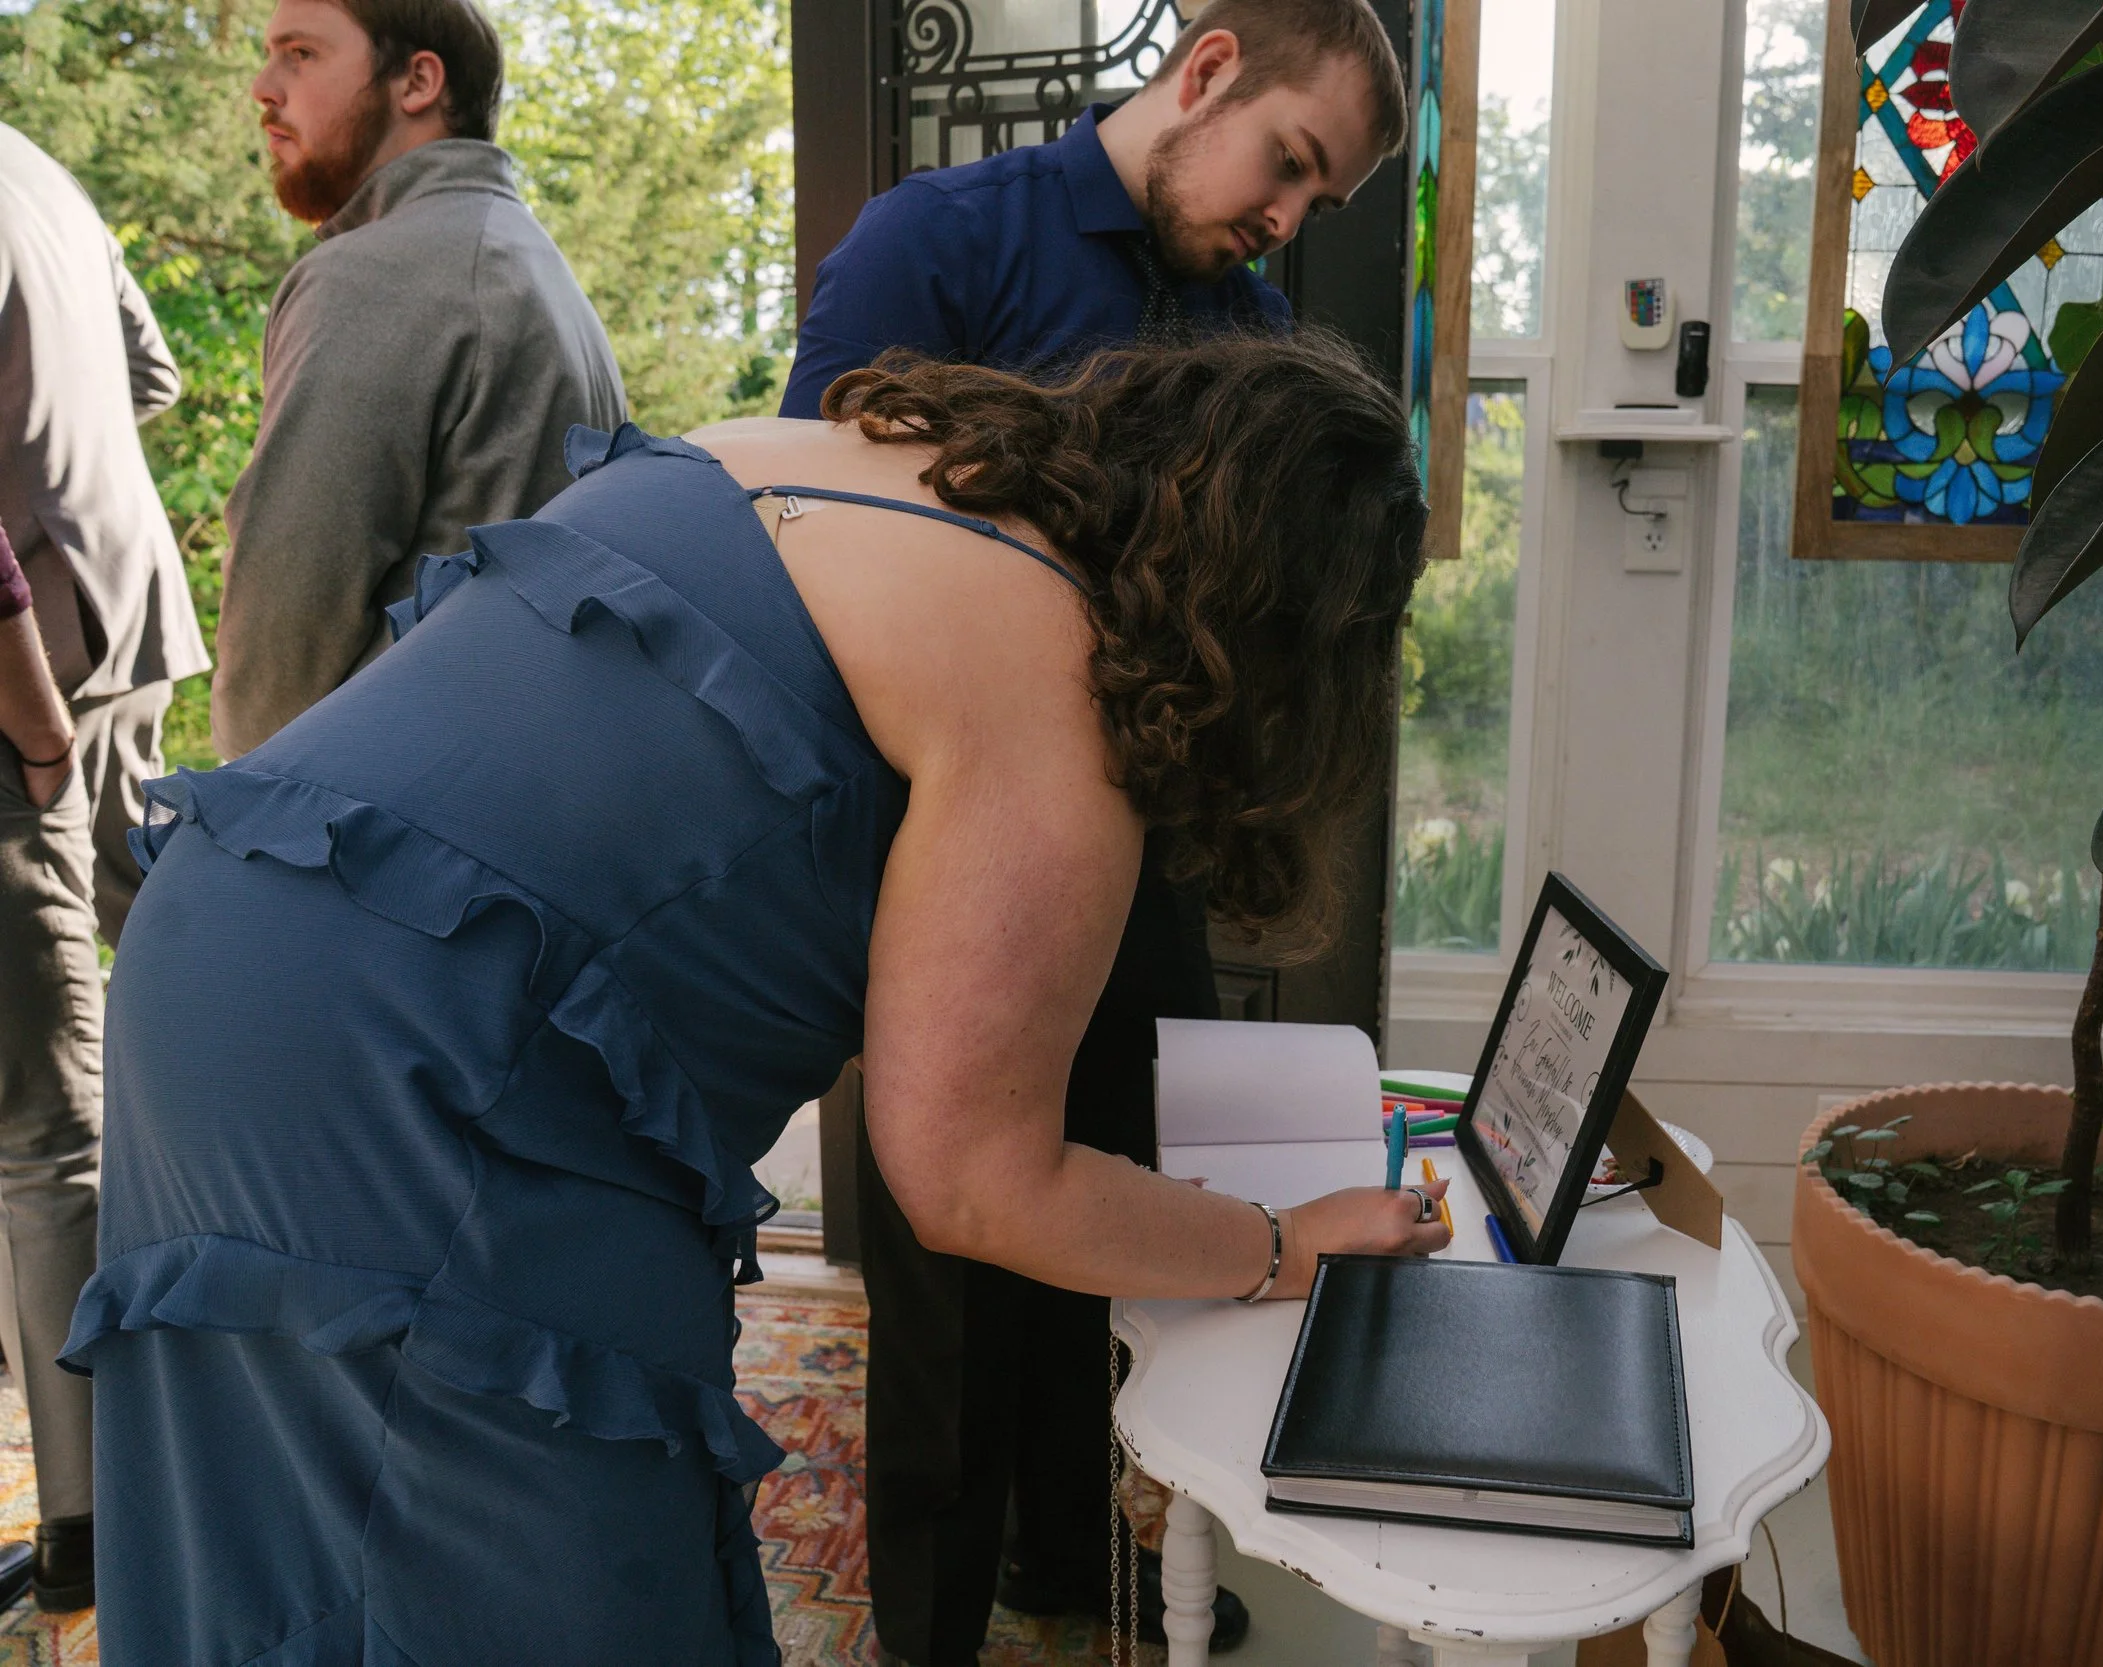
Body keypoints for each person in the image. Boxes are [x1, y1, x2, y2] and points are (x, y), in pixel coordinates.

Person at [71, 331, 1441, 1666]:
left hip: (224, 935)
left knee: (287, 1551)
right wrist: (1280, 1244)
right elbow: (974, 1182)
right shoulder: (1052, 672)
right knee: (553, 1585)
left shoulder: (833, 450)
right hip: (420, 1074)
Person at [779, 4, 1407, 1656]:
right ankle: (925, 1627)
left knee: (1108, 1212)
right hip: (942, 851)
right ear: (1207, 72)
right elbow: (814, 535)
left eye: (1321, 201)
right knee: (953, 1268)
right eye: (1291, 164)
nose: (1289, 219)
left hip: (1139, 854)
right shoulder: (941, 246)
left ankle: (1070, 1567)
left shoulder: (1256, 339)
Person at [0, 117, 214, 1612]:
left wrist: (26, 721)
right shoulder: (41, 169)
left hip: (21, 680)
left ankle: (90, 1521)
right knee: (181, 978)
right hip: (127, 619)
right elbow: (152, 374)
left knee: (40, 1110)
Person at [213, 0, 625, 760]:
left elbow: (280, 645)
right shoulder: (527, 259)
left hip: (374, 829)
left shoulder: (374, 275)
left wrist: (237, 845)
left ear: (417, 81)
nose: (262, 88)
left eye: (300, 54)